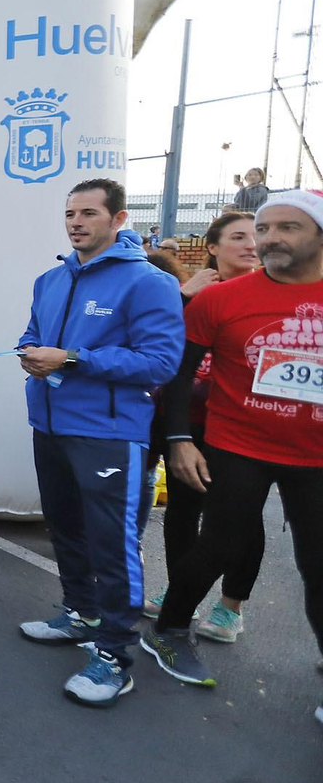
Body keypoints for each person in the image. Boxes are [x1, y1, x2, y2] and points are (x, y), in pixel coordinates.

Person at [142, 190, 323, 717]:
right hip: (237, 445)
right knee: (218, 545)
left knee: (317, 562)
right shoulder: (220, 300)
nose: (270, 238)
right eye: (264, 228)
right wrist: (179, 440)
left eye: (287, 227)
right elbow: (179, 374)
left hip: (315, 457)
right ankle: (169, 629)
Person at [16, 178, 183, 707]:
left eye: (89, 213)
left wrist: (72, 359)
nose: (76, 222)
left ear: (119, 218)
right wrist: (30, 352)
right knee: (64, 527)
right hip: (50, 425)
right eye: (71, 213)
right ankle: (79, 613)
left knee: (112, 544)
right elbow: (32, 335)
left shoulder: (148, 282)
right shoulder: (50, 279)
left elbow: (160, 362)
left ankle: (114, 654)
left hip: (109, 433)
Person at [141, 212, 262, 641]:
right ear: (212, 247)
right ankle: (181, 594)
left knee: (241, 518)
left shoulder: (267, 293)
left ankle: (230, 608)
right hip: (183, 422)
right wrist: (182, 296)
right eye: (239, 237)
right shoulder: (192, 292)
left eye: (256, 236)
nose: (251, 244)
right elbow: (153, 337)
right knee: (182, 512)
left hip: (240, 428)